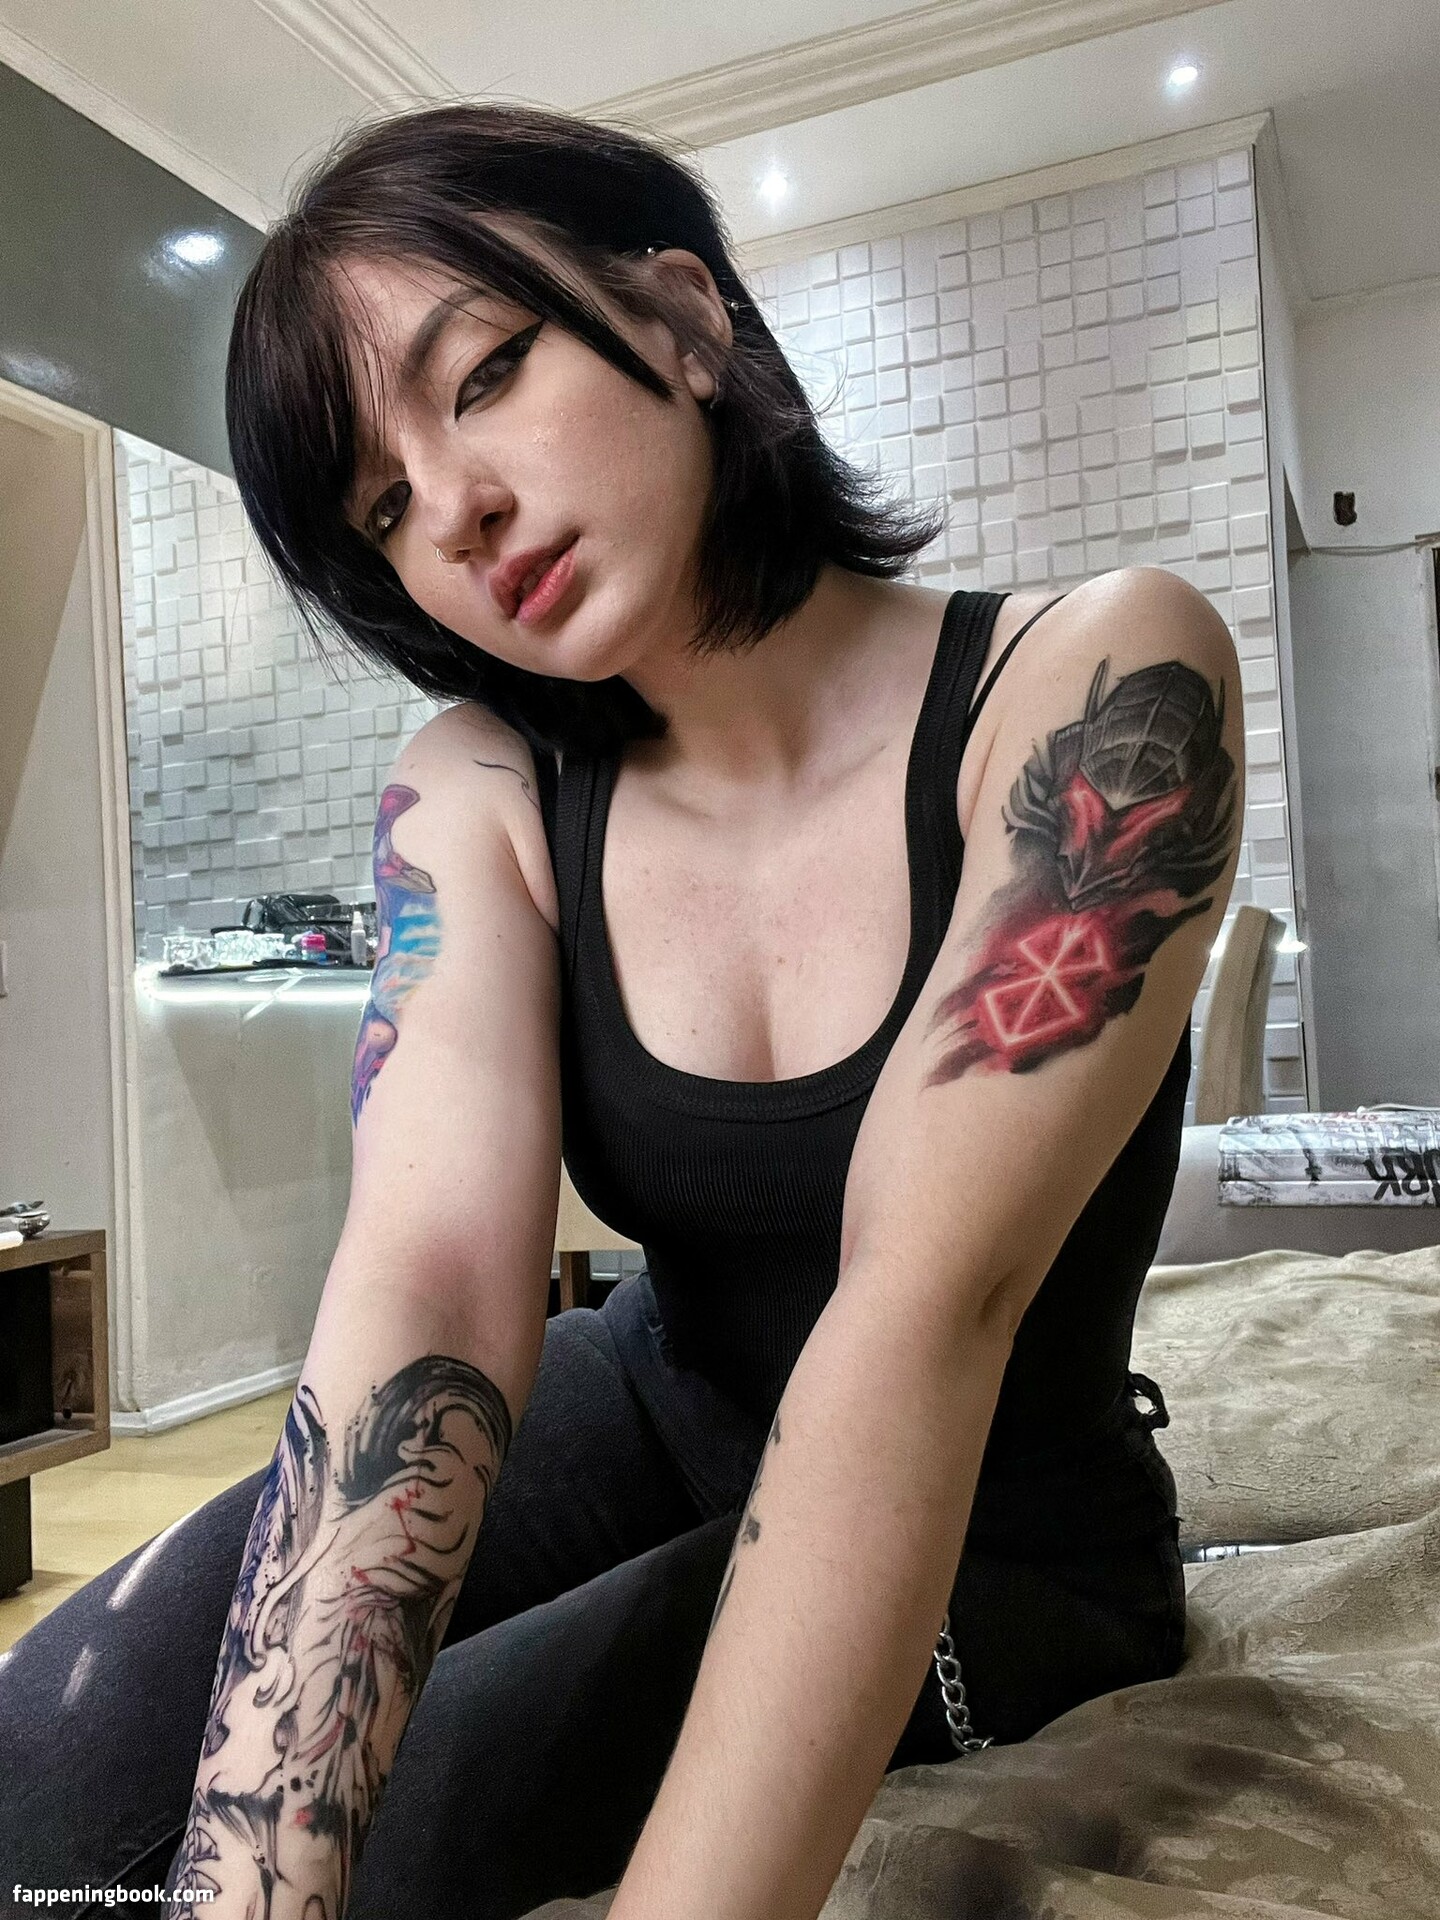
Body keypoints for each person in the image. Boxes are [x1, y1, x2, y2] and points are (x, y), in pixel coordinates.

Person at [0, 103, 1243, 1920]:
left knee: (424, 1832)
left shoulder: (1099, 681)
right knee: (45, 1796)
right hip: (657, 1400)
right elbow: (430, 1283)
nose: (456, 509)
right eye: (382, 506)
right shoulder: (481, 783)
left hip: (992, 1523)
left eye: (487, 373)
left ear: (681, 318)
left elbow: (924, 1313)